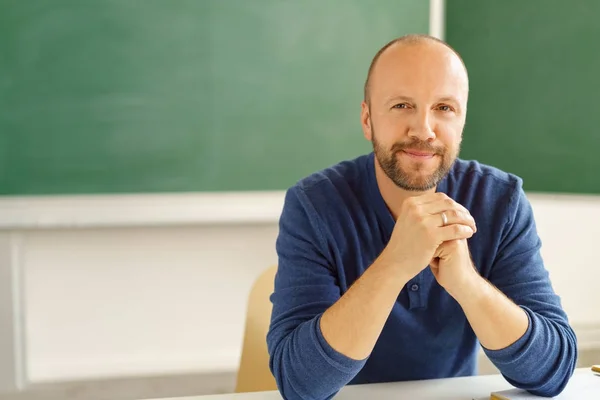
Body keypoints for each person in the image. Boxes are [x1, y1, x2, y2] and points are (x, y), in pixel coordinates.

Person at [266, 34, 577, 400]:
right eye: (401, 105)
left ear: (462, 120)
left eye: (444, 108)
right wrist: (395, 264)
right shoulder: (313, 205)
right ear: (368, 119)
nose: (423, 130)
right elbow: (300, 385)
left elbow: (553, 372)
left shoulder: (500, 200)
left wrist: (466, 283)